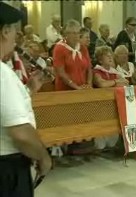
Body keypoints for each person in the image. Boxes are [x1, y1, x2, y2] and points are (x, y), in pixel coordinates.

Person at [0, 2, 52, 196]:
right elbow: (20, 133)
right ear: (5, 31)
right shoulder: (3, 75)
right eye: (15, 30)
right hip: (7, 168)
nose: (16, 37)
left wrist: (28, 90)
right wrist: (43, 157)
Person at [53, 19, 93, 91]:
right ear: (66, 34)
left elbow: (89, 69)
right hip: (65, 90)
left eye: (77, 33)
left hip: (83, 88)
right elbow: (61, 73)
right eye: (73, 33)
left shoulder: (82, 48)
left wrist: (88, 84)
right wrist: (76, 87)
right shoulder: (59, 48)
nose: (76, 36)